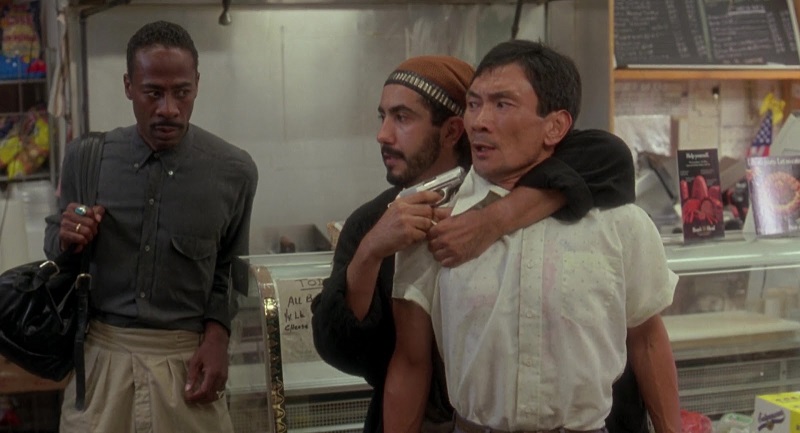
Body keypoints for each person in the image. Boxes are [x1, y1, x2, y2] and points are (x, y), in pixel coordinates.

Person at [310, 55, 646, 433]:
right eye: (382, 116)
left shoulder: (523, 187)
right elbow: (350, 352)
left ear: (452, 131)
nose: (383, 135)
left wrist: (493, 220)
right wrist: (371, 250)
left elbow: (610, 155)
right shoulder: (376, 219)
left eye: (402, 117)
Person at [385, 40, 681, 433]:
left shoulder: (619, 222)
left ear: (555, 126)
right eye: (473, 104)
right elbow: (410, 361)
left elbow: (647, 340)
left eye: (502, 104)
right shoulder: (435, 218)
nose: (479, 122)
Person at [43, 21, 258, 433]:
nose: (169, 109)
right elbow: (54, 250)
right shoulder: (87, 158)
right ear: (129, 86)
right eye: (153, 93)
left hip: (187, 366)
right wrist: (67, 236)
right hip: (101, 361)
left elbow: (231, 270)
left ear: (198, 84)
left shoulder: (234, 171)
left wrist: (218, 337)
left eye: (182, 92)